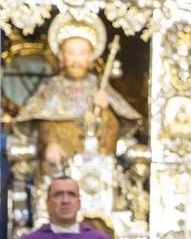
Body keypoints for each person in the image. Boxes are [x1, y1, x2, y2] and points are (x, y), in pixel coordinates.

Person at [15, 10, 142, 169]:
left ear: (91, 58)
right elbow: (44, 123)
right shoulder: (52, 89)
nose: (76, 60)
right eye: (70, 53)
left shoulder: (99, 87)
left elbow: (113, 129)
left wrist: (105, 110)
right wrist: (50, 144)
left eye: (82, 53)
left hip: (94, 164)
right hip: (59, 163)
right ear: (61, 57)